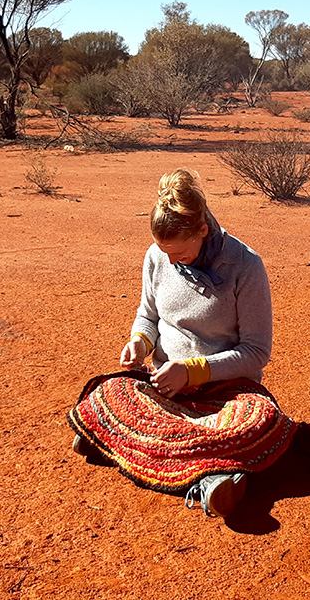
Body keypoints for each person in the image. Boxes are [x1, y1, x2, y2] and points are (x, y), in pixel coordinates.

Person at [73, 168, 276, 518]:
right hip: (166, 387)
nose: (170, 261)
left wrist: (193, 370)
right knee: (106, 394)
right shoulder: (156, 257)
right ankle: (207, 464)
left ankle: (211, 476)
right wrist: (140, 341)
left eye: (180, 254)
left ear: (203, 230)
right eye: (164, 251)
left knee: (259, 419)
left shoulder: (245, 266)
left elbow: (257, 352)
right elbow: (148, 316)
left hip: (227, 391)